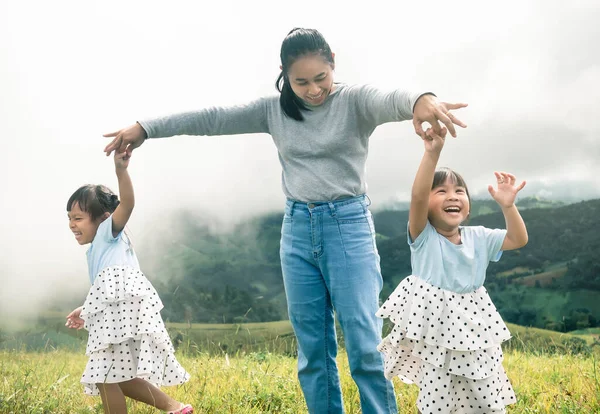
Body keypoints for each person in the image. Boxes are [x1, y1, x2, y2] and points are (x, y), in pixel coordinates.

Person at [102, 27, 467, 414]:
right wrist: (146, 128)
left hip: (348, 228)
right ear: (284, 74)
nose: (313, 90)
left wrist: (421, 99)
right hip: (296, 231)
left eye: (321, 78)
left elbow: (392, 98)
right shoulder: (274, 110)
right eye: (301, 82)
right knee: (312, 349)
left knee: (363, 344)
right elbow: (212, 118)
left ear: (333, 66)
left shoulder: (354, 102)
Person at [376, 126, 527, 413]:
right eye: (441, 191)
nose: (452, 196)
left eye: (459, 191)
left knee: (484, 389)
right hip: (436, 332)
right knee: (438, 397)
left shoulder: (479, 236)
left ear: (468, 207)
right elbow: (418, 197)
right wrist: (432, 152)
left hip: (475, 328)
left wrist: (509, 207)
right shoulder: (423, 238)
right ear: (428, 207)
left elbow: (517, 239)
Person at [65, 150, 193, 414]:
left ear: (103, 217)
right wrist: (85, 309)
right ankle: (175, 408)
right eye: (69, 218)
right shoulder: (99, 249)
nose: (71, 224)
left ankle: (174, 407)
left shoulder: (107, 232)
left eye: (77, 218)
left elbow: (128, 205)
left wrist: (121, 171)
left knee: (105, 374)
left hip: (123, 315)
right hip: (121, 313)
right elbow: (105, 293)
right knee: (117, 375)